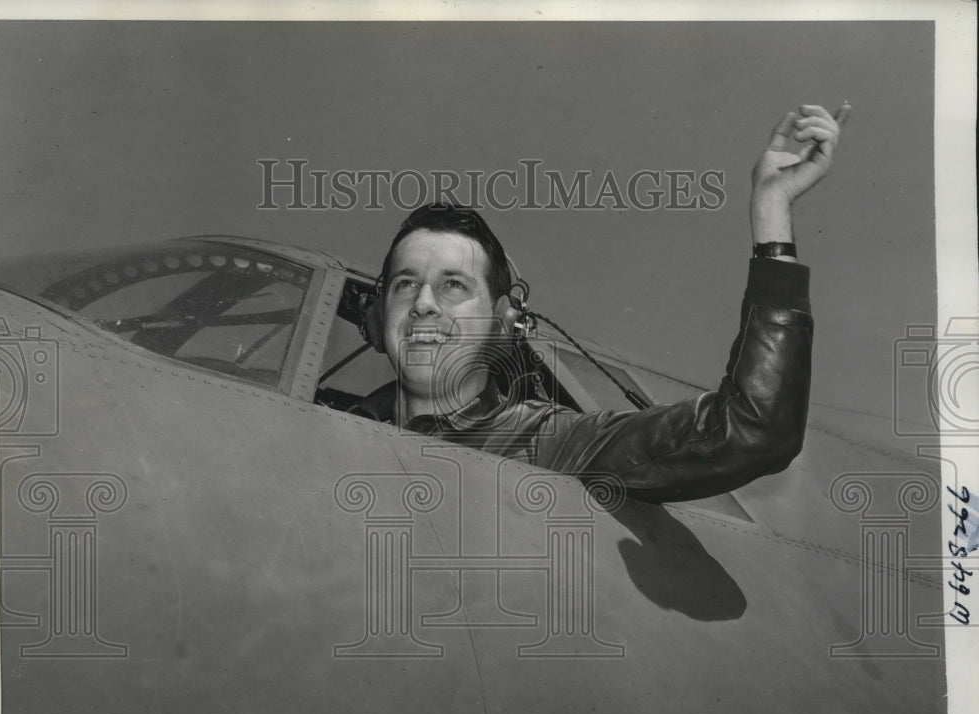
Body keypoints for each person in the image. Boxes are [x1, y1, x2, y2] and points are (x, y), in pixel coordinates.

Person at [354, 104, 850, 503]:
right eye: (405, 284)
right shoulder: (334, 425)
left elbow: (749, 429)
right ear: (380, 320)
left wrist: (771, 213)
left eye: (453, 286)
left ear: (502, 323)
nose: (423, 303)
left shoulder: (552, 443)